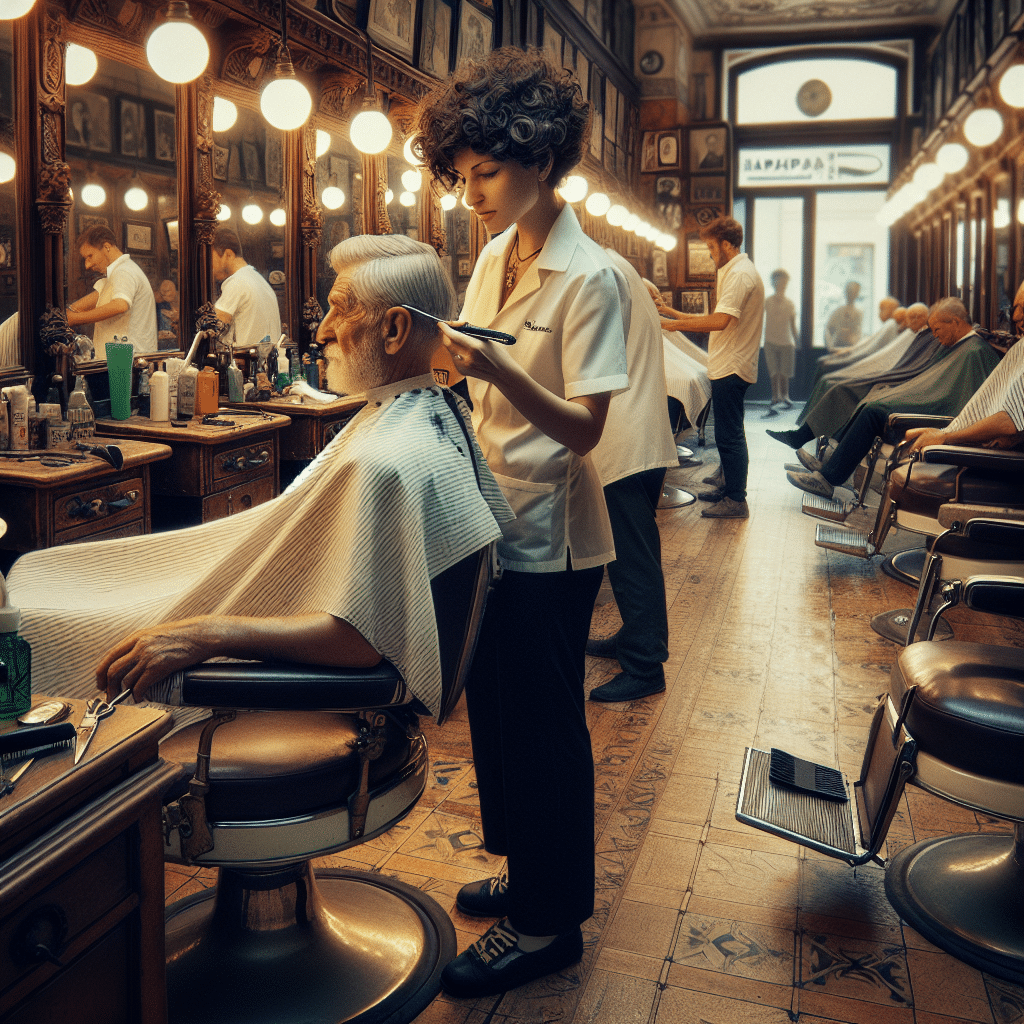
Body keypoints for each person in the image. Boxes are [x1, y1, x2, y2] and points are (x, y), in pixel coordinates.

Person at [10, 233, 513, 720]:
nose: (323, 329)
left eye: (341, 308)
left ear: (395, 329)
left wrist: (206, 634)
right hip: (235, 592)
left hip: (235, 625)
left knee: (27, 623)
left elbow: (361, 639)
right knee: (42, 573)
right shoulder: (430, 412)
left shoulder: (386, 458)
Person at [415, 46, 629, 997]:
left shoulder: (595, 278)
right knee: (494, 714)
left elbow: (586, 429)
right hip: (489, 517)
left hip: (553, 536)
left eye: (485, 174)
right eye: (462, 178)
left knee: (545, 727)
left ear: (540, 158)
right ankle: (523, 870)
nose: (472, 197)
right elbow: (472, 360)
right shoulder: (499, 254)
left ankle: (550, 924)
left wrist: (498, 370)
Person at [787, 298, 1002, 499]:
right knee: (871, 402)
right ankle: (829, 468)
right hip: (930, 403)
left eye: (937, 329)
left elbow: (964, 402)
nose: (935, 336)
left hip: (937, 417)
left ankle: (827, 480)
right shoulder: (960, 345)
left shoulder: (975, 353)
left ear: (955, 322)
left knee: (874, 411)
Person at [585, 252, 678, 704]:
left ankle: (644, 665)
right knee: (634, 551)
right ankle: (632, 639)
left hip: (620, 436)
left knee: (630, 556)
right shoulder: (616, 266)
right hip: (636, 431)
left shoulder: (594, 273)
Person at [658, 216, 765, 518]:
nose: (708, 254)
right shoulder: (736, 270)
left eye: (711, 247)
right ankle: (726, 487)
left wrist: (674, 324)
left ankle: (736, 499)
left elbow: (719, 322)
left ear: (727, 245)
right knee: (729, 434)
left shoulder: (740, 275)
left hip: (732, 366)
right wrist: (670, 312)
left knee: (730, 436)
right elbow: (717, 318)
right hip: (729, 364)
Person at [767, 302, 933, 452]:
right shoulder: (912, 334)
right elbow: (885, 357)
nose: (906, 324)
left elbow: (904, 367)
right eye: (907, 318)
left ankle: (815, 443)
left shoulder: (924, 337)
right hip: (886, 376)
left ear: (924, 318)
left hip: (892, 383)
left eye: (914, 318)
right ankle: (806, 437)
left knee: (841, 390)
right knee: (834, 384)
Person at [906, 281, 1024, 454]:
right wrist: (946, 432)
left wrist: (946, 437)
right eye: (1015, 308)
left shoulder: (975, 350)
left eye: (1023, 308)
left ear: (955, 322)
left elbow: (1009, 421)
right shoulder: (1019, 348)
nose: (1015, 317)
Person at [66, 224, 158, 357]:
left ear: (106, 246)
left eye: (90, 256)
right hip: (123, 358)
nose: (87, 265)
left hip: (127, 360)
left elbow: (120, 305)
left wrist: (75, 318)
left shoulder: (123, 271)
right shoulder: (116, 274)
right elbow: (93, 298)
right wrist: (68, 314)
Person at [212, 227, 283, 350]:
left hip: (248, 364)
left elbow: (212, 326)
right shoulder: (257, 279)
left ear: (228, 254)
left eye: (211, 259)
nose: (210, 267)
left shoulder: (237, 282)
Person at [762, 269, 798, 416]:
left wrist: (797, 340)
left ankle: (785, 396)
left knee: (785, 372)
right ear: (773, 283)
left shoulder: (790, 303)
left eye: (784, 282)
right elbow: (757, 319)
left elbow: (793, 324)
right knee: (774, 372)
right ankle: (775, 396)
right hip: (770, 340)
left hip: (786, 341)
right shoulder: (767, 301)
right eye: (779, 281)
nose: (782, 284)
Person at [823, 281, 863, 351]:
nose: (852, 294)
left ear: (857, 294)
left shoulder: (859, 313)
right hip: (837, 347)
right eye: (850, 292)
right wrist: (830, 346)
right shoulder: (838, 311)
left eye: (854, 292)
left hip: (851, 349)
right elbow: (827, 329)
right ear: (846, 292)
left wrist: (855, 345)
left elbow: (859, 333)